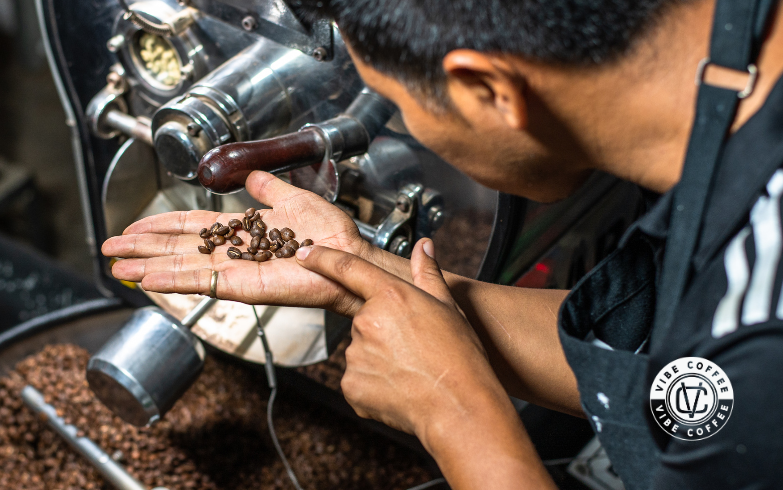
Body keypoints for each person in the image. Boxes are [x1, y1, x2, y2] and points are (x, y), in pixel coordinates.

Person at [102, 0, 783, 487]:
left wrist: (455, 410)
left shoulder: (760, 337)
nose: (414, 132)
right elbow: (678, 372)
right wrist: (368, 276)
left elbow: (740, 377)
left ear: (486, 88)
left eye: (398, 104)